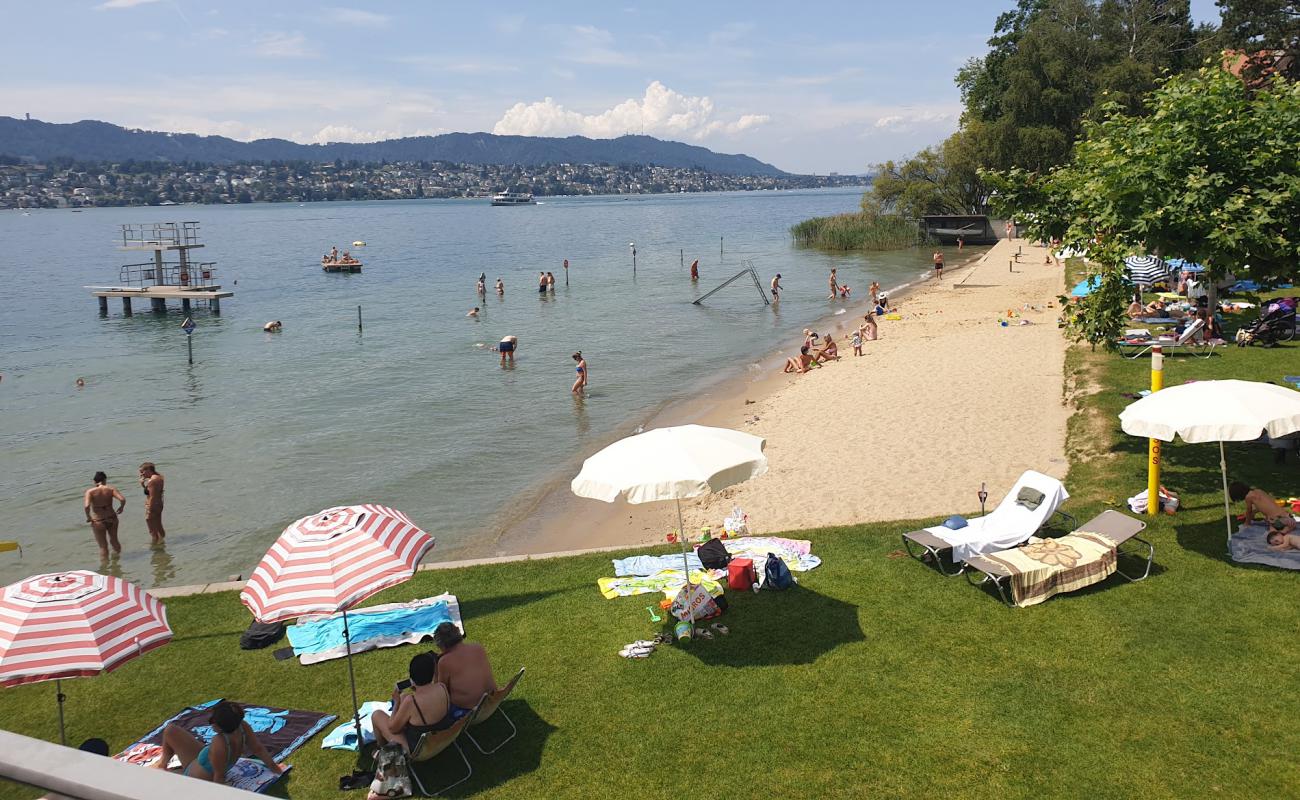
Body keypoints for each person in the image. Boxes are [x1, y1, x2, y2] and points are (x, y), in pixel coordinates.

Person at [153, 700, 281, 784]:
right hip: (204, 762)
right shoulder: (242, 726)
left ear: (219, 726)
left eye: (212, 720)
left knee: (159, 780)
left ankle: (162, 766)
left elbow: (219, 777)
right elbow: (258, 749)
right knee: (171, 730)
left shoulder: (219, 742)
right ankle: (162, 764)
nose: (210, 722)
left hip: (197, 776)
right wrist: (275, 768)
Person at [370, 653, 453, 754]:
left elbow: (392, 729)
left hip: (420, 750)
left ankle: (382, 750)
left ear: (412, 677)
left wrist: (396, 703)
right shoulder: (442, 687)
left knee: (377, 715)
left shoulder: (411, 701)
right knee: (403, 697)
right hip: (441, 738)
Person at [433, 622, 497, 716]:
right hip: (493, 701)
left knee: (433, 702)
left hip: (470, 713)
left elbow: (441, 691)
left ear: (441, 645)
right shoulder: (477, 647)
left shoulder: (444, 662)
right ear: (458, 633)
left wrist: (436, 670)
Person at [84, 472, 125, 561]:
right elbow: (122, 499)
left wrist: (88, 517)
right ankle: (117, 562)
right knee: (114, 540)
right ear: (105, 480)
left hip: (99, 520)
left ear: (95, 481)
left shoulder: (90, 492)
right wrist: (121, 508)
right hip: (112, 518)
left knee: (103, 546)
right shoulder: (111, 489)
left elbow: (87, 506)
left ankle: (104, 568)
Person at [1229, 482, 1296, 536]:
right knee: (1274, 520)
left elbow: (1249, 512)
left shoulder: (1248, 497)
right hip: (1289, 516)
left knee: (1270, 533)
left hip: (1278, 521)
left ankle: (1282, 531)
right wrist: (1254, 512)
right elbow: (1266, 505)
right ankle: (1288, 527)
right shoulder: (1258, 491)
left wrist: (1247, 523)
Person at [139, 462, 165, 545]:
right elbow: (152, 492)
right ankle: (162, 542)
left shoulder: (152, 481)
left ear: (149, 470)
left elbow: (152, 497)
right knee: (158, 525)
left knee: (152, 528)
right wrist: (143, 484)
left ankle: (156, 546)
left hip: (153, 505)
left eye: (142, 472)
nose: (141, 474)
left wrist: (149, 510)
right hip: (159, 504)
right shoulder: (159, 478)